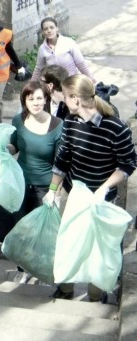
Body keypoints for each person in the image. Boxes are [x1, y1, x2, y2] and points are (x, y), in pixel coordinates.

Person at [43, 74, 137, 301]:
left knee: (98, 248)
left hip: (100, 199)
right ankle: (65, 289)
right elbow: (62, 159)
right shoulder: (71, 123)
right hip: (72, 192)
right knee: (67, 240)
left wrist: (105, 187)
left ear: (75, 99)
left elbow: (128, 164)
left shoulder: (116, 128)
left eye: (65, 97)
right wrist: (52, 191)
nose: (63, 101)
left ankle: (97, 294)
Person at [0, 81, 63, 283]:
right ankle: (22, 268)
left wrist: (54, 191)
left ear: (47, 99)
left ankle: (41, 270)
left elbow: (60, 163)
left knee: (42, 232)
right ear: (24, 100)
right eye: (30, 98)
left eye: (39, 98)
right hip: (21, 183)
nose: (35, 102)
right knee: (21, 228)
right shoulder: (19, 120)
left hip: (45, 186)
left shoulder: (57, 125)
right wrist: (0, 147)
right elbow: (15, 146)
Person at [31, 17, 96, 84]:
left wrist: (90, 78)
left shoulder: (68, 42)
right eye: (46, 29)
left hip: (72, 82)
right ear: (43, 32)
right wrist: (31, 84)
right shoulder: (42, 49)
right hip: (55, 86)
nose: (49, 31)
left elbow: (80, 63)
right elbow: (38, 69)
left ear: (57, 28)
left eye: (51, 27)